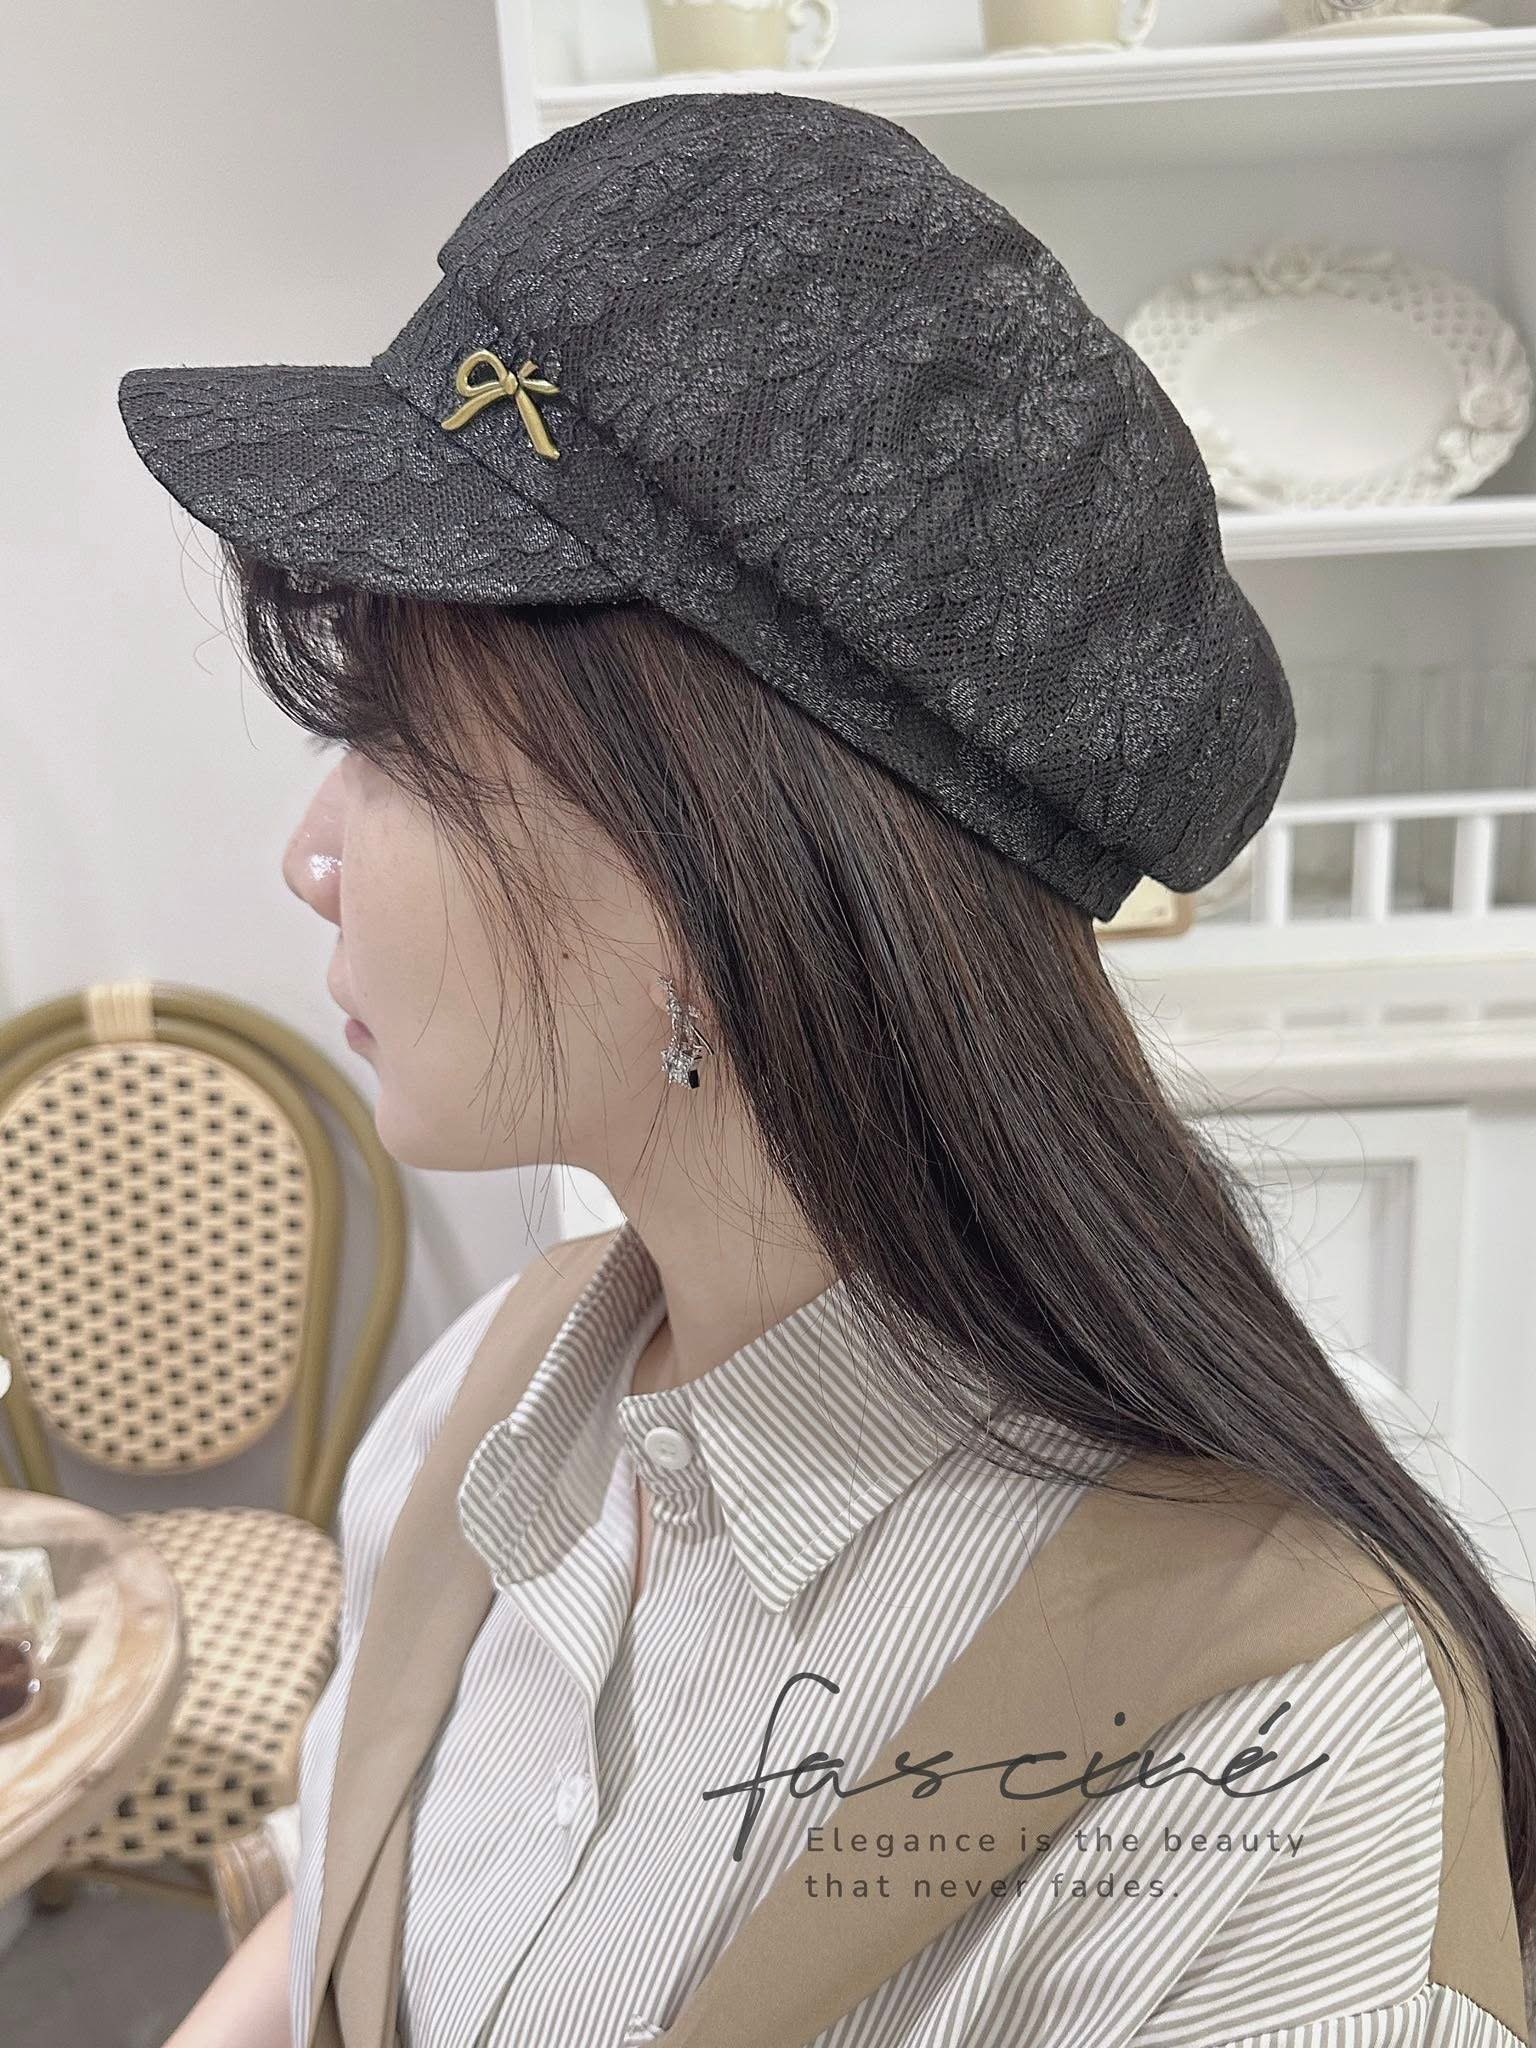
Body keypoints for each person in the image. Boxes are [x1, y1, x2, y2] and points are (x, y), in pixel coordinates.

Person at [126, 90, 1535, 2048]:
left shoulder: (1282, 1772)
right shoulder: (478, 1417)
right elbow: (354, 1894)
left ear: (712, 868)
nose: (312, 855)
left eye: (391, 741)